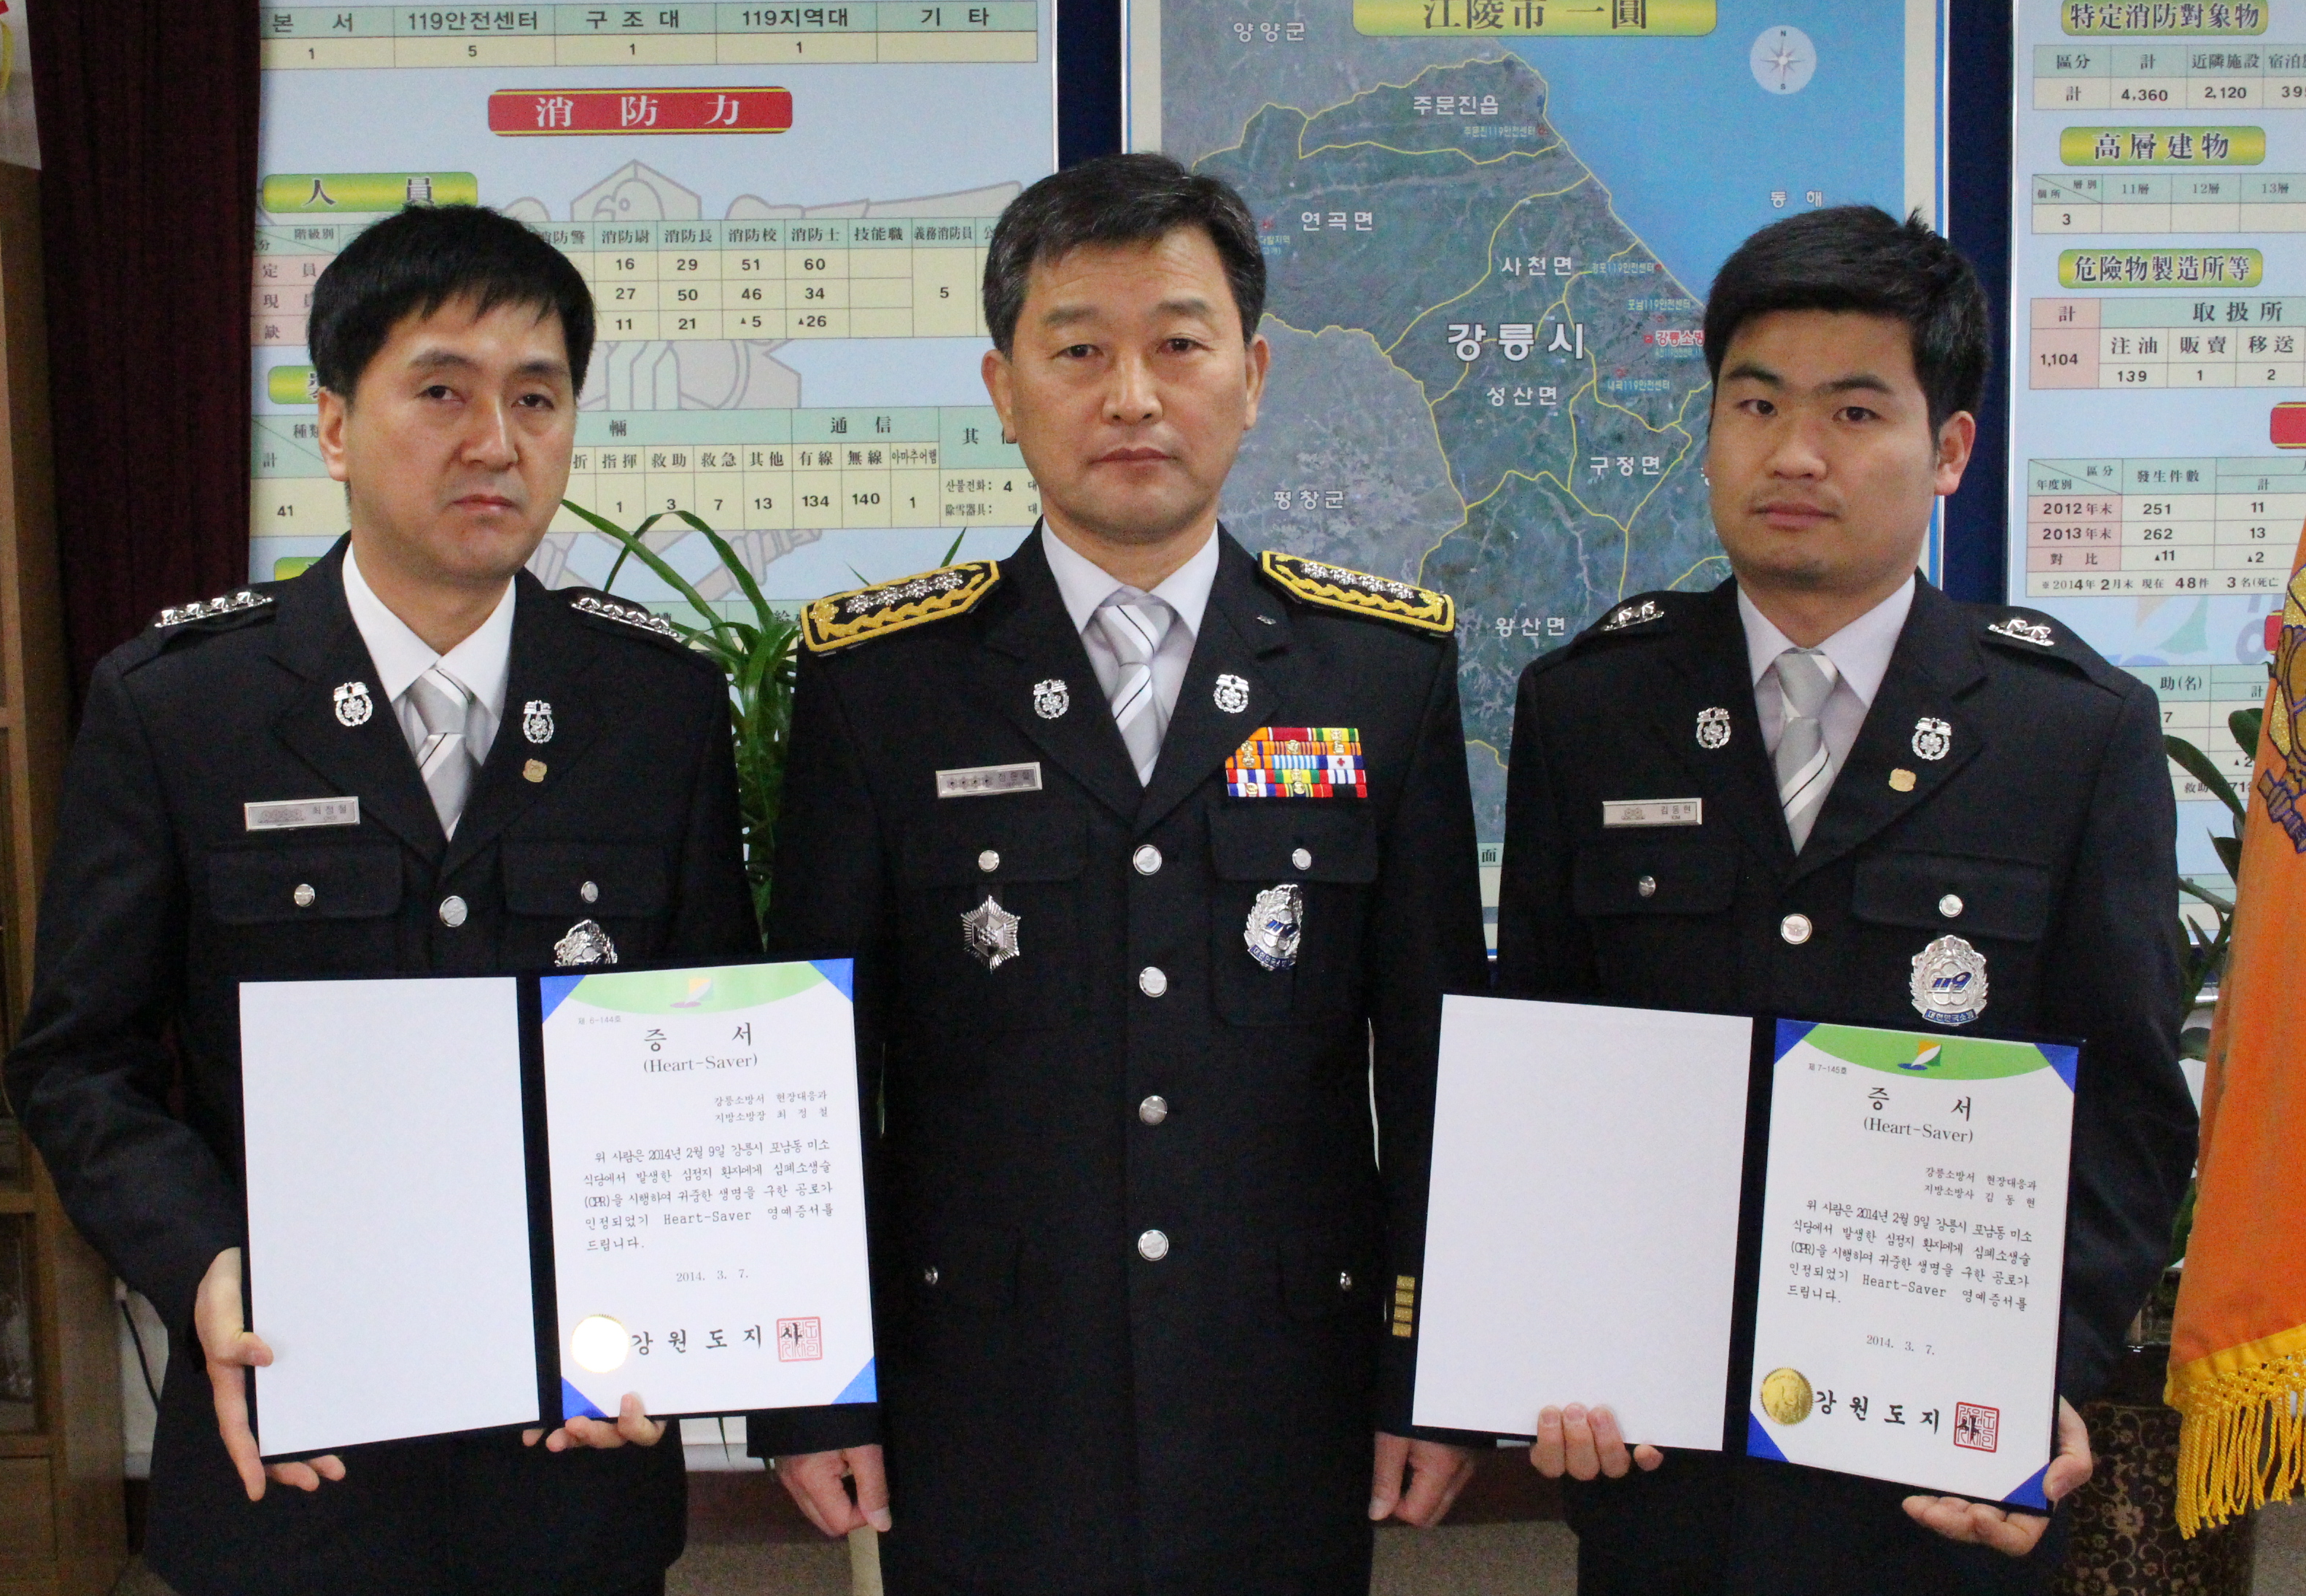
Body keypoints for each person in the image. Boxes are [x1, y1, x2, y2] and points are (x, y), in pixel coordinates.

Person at [739, 152, 1485, 1595]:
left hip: (1285, 1383)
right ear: (1004, 387)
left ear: (1253, 377)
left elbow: (1436, 1057)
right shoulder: (882, 684)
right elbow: (808, 1074)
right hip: (985, 1392)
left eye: (1179, 346)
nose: (1132, 397)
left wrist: (1432, 1368)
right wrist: (815, 1390)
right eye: (1078, 351)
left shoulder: (1378, 674)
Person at [7, 203, 756, 1596]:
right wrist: (204, 1260)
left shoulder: (654, 706)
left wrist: (679, 1298)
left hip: (571, 1458)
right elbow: (78, 1062)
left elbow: (709, 1040)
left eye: (537, 398)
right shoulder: (183, 708)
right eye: (442, 393)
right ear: (336, 426)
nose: (496, 442)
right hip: (292, 1450)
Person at [1495, 205, 2198, 1593]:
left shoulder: (2072, 732)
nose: (1795, 453)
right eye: (1755, 404)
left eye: (1855, 412)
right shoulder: (1591, 710)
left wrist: (2032, 1373)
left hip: (1934, 1488)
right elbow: (1543, 1060)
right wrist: (1546, 1337)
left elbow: (2126, 1109)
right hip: (1662, 1472)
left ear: (1952, 451)